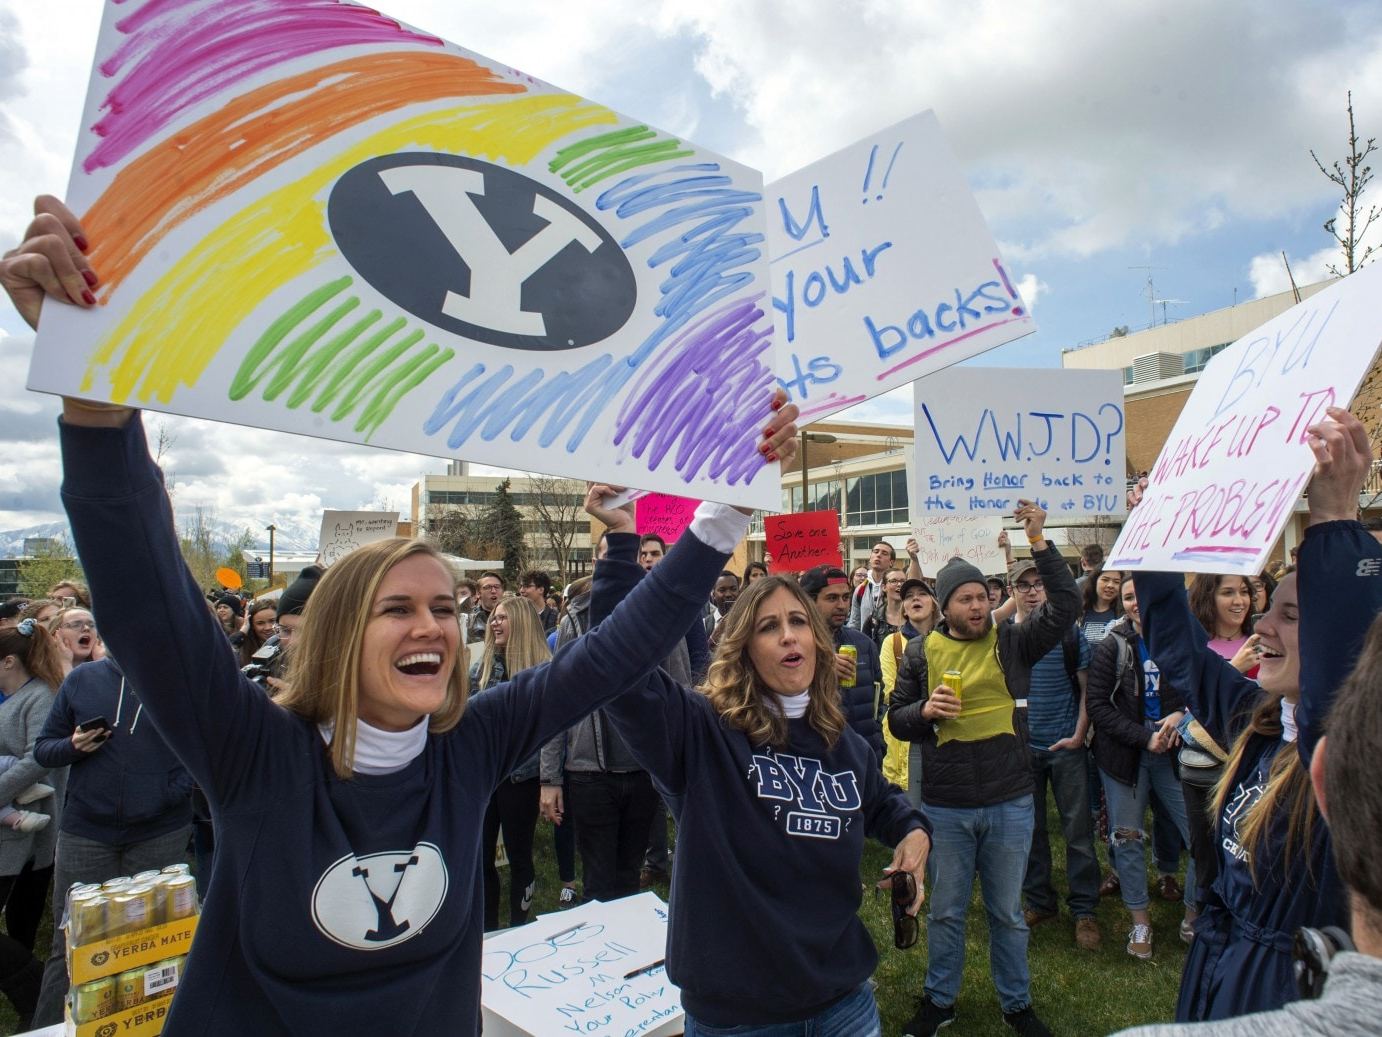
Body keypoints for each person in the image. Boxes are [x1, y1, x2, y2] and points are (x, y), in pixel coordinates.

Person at [3, 195, 801, 1033]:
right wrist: (94, 403)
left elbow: (611, 654)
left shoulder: (470, 747)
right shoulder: (256, 754)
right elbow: (147, 606)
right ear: (344, 633)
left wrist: (726, 512)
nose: (434, 626)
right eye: (399, 608)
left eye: (446, 607)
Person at [592, 526, 931, 1035]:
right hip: (740, 1014)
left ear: (817, 641)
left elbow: (883, 802)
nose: (789, 634)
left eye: (798, 621)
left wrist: (913, 832)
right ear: (744, 647)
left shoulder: (841, 742)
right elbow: (616, 665)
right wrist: (620, 546)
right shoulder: (702, 732)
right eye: (769, 627)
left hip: (844, 1001)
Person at [1113, 417, 1382, 1036]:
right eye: (1267, 609)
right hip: (1219, 957)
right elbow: (1178, 648)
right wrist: (1153, 541)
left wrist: (1336, 515)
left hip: (1286, 977)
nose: (1261, 627)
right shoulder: (1256, 723)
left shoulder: (1344, 759)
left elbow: (1337, 677)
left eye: (1289, 615)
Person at [889, 500, 1077, 1037]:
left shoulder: (1014, 641)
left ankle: (1016, 1004)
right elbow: (897, 720)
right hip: (947, 808)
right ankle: (939, 999)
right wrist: (923, 712)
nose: (976, 605)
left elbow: (1065, 605)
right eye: (964, 598)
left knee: (1008, 914)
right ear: (945, 607)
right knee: (946, 912)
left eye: (981, 596)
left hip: (1011, 800)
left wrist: (1040, 541)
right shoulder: (920, 654)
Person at [30, 655, 196, 1027]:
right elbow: (44, 749)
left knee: (154, 942)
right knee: (71, 941)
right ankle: (48, 1028)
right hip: (86, 831)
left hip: (159, 830)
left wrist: (169, 792)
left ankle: (151, 1027)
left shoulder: (181, 680)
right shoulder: (83, 680)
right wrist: (73, 746)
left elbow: (204, 751)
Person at [1085, 574, 1197, 959]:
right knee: (1127, 837)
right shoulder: (1111, 646)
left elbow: (1197, 687)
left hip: (1174, 754)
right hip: (1126, 757)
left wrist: (1181, 715)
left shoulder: (1182, 639)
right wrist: (1142, 736)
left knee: (1199, 835)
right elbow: (1098, 706)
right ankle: (1140, 921)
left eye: (1142, 595)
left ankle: (1194, 913)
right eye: (1130, 597)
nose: (1136, 603)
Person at [1006, 558, 1102, 952]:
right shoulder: (1006, 638)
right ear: (1012, 592)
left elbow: (1086, 691)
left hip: (1065, 747)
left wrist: (1079, 735)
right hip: (1020, 751)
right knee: (1030, 833)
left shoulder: (1068, 633)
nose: (1031, 590)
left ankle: (1084, 910)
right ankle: (1040, 902)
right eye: (1023, 585)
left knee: (1077, 833)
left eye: (1038, 583)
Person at [0, 620, 67, 1027]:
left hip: (22, 830)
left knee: (21, 916)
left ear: (8, 660)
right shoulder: (11, 697)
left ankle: (34, 989)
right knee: (18, 920)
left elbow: (38, 757)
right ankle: (31, 994)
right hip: (10, 825)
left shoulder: (39, 697)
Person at [471, 595, 549, 930]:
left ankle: (520, 924)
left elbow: (551, 732)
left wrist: (550, 780)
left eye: (503, 617)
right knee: (481, 856)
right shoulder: (482, 667)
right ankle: (487, 928)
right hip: (486, 777)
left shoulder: (542, 671)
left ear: (522, 623)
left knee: (520, 854)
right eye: (494, 618)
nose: (495, 622)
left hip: (523, 778)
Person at [800, 566, 885, 764]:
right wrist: (819, 671)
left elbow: (877, 702)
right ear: (809, 602)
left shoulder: (863, 644)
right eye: (831, 598)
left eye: (846, 597)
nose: (841, 605)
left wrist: (877, 744)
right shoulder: (793, 647)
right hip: (817, 763)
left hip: (865, 760)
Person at [879, 579, 936, 793]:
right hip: (900, 734)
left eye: (922, 593)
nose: (915, 598)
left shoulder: (949, 640)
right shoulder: (892, 642)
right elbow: (888, 692)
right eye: (909, 596)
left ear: (934, 602)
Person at [1189, 574, 1258, 676]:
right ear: (1207, 598)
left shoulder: (1263, 641)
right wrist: (1233, 669)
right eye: (1228, 593)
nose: (1239, 601)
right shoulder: (1192, 647)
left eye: (1244, 592)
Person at [848, 541, 897, 630]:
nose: (878, 555)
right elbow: (854, 623)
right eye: (876, 551)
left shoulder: (897, 588)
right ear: (870, 558)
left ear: (891, 562)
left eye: (884, 553)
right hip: (866, 642)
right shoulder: (860, 590)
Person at [1081, 565, 1124, 646]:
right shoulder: (1080, 612)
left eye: (1116, 582)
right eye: (1105, 580)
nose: (1110, 585)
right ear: (1095, 581)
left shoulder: (1124, 615)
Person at [864, 569, 908, 647]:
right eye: (894, 581)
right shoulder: (873, 620)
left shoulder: (914, 617)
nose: (899, 584)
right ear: (884, 587)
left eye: (903, 581)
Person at [467, 572, 504, 641]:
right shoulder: (470, 620)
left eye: (497, 587)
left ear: (503, 591)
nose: (493, 591)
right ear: (478, 593)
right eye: (487, 587)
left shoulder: (513, 615)